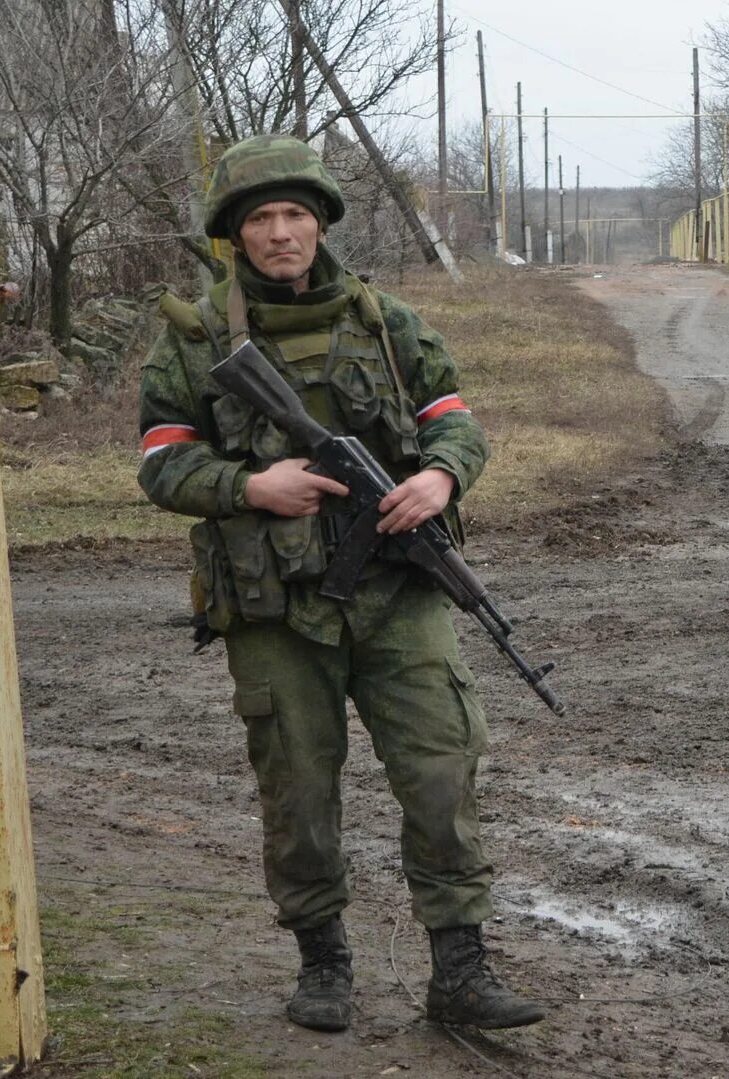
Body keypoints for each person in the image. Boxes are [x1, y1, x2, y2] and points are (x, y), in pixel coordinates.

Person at [137, 134, 543, 1034]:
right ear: (234, 235)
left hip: (398, 592)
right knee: (299, 792)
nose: (281, 233)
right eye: (261, 219)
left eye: (295, 215)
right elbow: (162, 464)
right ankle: (323, 961)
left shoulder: (385, 320)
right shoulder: (196, 336)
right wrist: (251, 486)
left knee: (442, 771)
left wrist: (439, 477)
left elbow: (455, 421)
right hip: (277, 607)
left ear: (319, 223)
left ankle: (461, 969)